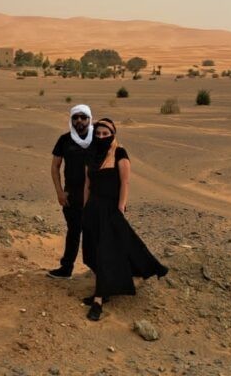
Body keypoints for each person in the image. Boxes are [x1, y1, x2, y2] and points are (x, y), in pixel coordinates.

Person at [81, 118, 168, 321]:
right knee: (91, 252)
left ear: (113, 134)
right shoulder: (92, 154)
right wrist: (85, 208)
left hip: (110, 210)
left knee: (105, 253)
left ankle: (99, 300)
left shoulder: (120, 153)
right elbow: (87, 183)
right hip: (93, 209)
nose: (101, 137)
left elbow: (125, 182)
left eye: (106, 134)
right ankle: (107, 287)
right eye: (98, 134)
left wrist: (121, 207)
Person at [47, 104, 93, 279]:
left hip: (94, 194)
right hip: (72, 195)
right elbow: (55, 167)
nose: (79, 120)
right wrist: (59, 192)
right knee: (73, 231)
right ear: (71, 120)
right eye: (76, 117)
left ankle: (97, 269)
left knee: (94, 232)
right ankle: (66, 268)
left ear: (89, 118)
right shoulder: (65, 140)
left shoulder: (97, 138)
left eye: (83, 117)